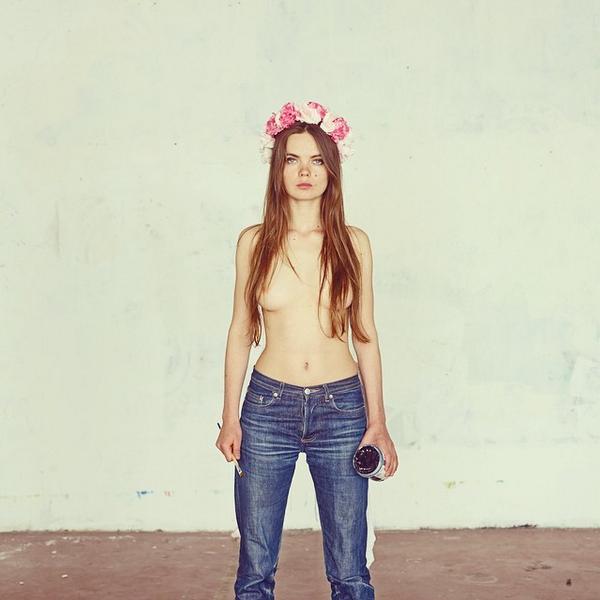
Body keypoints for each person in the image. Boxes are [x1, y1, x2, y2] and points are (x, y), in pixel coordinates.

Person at [215, 100, 398, 600]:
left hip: (341, 408)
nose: (304, 171)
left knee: (350, 569)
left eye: (317, 160)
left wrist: (377, 422)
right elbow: (240, 331)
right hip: (267, 407)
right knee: (255, 568)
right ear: (277, 169)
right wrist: (230, 417)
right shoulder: (253, 242)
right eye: (293, 160)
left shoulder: (353, 243)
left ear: (331, 170)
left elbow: (365, 335)